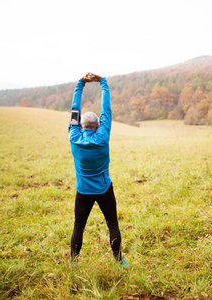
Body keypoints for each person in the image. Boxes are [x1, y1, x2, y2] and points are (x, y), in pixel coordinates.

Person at [68, 72, 128, 266]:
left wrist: (81, 84)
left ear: (80, 125)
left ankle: (73, 261)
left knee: (79, 226)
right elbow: (106, 110)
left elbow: (74, 110)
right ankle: (119, 261)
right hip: (104, 189)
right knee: (112, 224)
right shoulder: (102, 137)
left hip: (83, 191)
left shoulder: (74, 136)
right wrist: (103, 82)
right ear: (97, 126)